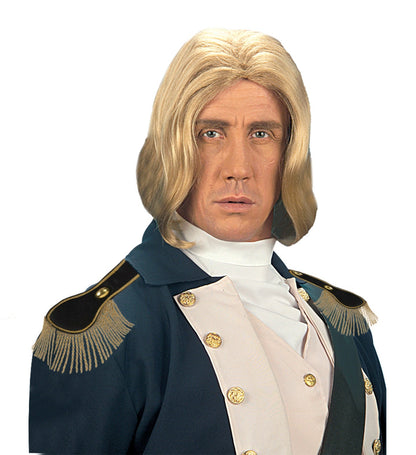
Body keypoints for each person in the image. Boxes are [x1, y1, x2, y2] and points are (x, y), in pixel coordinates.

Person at [29, 29, 386, 455]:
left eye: (261, 134)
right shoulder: (107, 333)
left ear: (290, 152)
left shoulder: (341, 319)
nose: (239, 168)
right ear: (173, 145)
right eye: (211, 133)